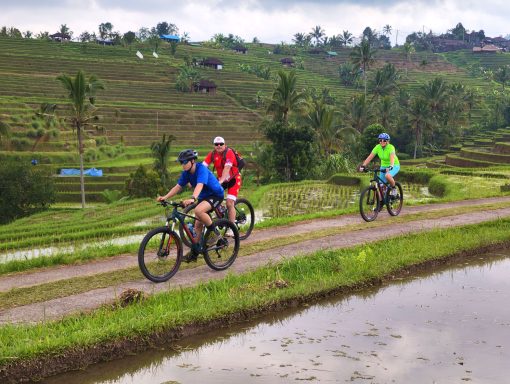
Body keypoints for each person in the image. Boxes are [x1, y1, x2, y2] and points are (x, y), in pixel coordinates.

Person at [157, 149, 224, 259]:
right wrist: (165, 197)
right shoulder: (186, 173)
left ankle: (215, 234)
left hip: (215, 194)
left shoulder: (201, 169)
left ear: (192, 161)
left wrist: (193, 198)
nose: (182, 165)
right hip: (204, 197)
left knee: (198, 211)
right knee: (197, 224)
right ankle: (195, 251)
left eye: (184, 162)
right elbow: (178, 187)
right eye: (181, 163)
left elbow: (200, 185)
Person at [203, 136, 242, 225]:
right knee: (210, 195)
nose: (219, 146)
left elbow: (227, 167)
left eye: (221, 144)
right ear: (214, 146)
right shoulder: (212, 154)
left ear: (225, 145)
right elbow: (203, 167)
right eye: (216, 144)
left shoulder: (229, 152)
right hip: (221, 179)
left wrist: (221, 181)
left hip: (233, 179)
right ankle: (220, 209)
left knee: (229, 203)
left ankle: (232, 228)